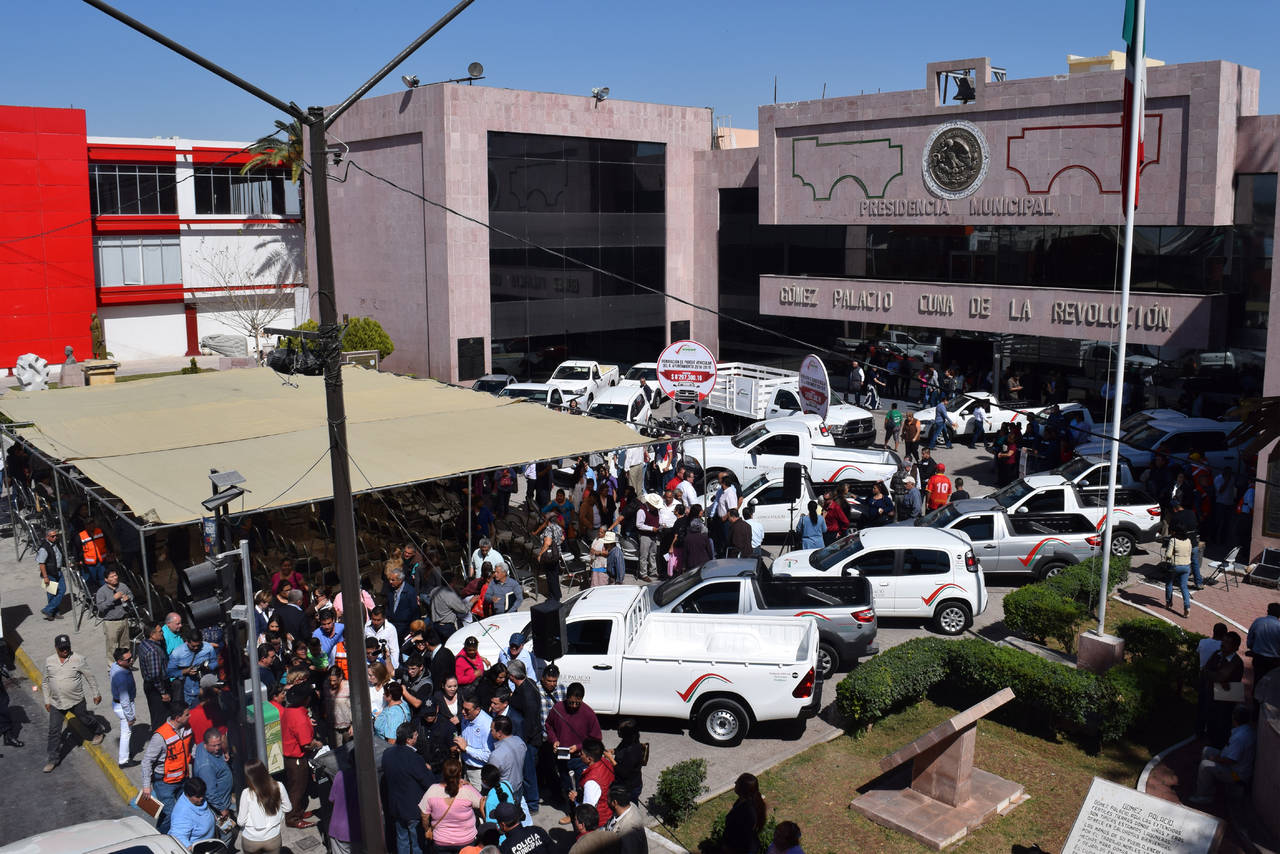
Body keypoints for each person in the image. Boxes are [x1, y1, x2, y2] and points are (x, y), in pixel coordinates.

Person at [43, 633, 107, 773]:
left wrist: (96, 694)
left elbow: (90, 677)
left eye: (67, 647)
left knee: (85, 719)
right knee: (54, 730)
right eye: (62, 648)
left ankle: (98, 730)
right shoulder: (49, 661)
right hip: (56, 702)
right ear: (56, 648)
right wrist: (47, 700)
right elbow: (46, 682)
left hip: (76, 700)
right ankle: (52, 759)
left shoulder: (78, 659)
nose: (65, 650)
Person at [547, 682, 602, 820]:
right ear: (566, 698)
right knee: (567, 786)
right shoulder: (558, 708)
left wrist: (578, 747)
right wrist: (554, 740)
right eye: (571, 702)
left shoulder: (588, 713)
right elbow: (549, 725)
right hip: (562, 757)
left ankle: (582, 816)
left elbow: (596, 738)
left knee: (581, 788)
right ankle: (572, 814)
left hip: (580, 758)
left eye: (577, 703)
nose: (573, 706)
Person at [384, 721, 438, 854]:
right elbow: (428, 783)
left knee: (402, 841)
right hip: (413, 809)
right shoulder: (414, 758)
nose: (417, 736)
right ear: (409, 740)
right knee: (417, 844)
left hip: (396, 808)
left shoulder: (387, 754)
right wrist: (429, 770)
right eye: (415, 735)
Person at [1187, 704, 1256, 806]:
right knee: (1207, 750)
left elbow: (1231, 760)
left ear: (1234, 718)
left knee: (1205, 765)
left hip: (1236, 775)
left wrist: (1215, 759)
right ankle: (1206, 783)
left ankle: (1204, 796)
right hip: (1235, 767)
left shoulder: (1240, 737)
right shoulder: (1245, 730)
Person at [140, 700, 192, 834]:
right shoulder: (160, 736)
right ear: (177, 718)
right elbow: (146, 761)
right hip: (164, 783)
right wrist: (146, 786)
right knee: (172, 814)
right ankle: (161, 838)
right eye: (187, 714)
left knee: (183, 811)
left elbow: (189, 747)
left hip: (183, 779)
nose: (189, 716)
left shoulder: (187, 728)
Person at [420, 758, 483, 853]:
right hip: (466, 840)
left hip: (441, 841)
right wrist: (469, 784)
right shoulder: (467, 790)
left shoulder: (432, 790)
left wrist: (427, 829)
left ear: (443, 773)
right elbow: (482, 803)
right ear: (460, 773)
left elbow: (424, 815)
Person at [281, 684, 319, 828]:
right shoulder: (300, 718)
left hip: (289, 755)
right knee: (297, 789)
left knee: (296, 787)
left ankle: (299, 811)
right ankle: (293, 818)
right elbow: (307, 744)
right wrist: (317, 744)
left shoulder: (290, 710)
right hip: (296, 758)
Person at [1200, 632, 1244, 747]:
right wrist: (1216, 677)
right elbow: (1204, 671)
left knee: (1222, 727)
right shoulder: (1216, 654)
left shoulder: (1236, 662)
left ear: (1235, 647)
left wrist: (1213, 675)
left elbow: (1219, 676)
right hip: (1211, 696)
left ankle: (1218, 749)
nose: (1223, 644)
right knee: (1210, 723)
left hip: (1225, 702)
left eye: (1228, 643)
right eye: (1223, 641)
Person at [238, 758, 291, 854]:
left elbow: (241, 821)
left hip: (251, 839)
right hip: (273, 837)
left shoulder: (246, 793)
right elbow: (288, 808)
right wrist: (278, 816)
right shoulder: (279, 786)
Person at [565, 737, 615, 827]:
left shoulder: (591, 783)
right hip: (609, 812)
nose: (580, 754)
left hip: (599, 822)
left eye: (582, 754)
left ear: (589, 759)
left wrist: (575, 801)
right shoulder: (605, 762)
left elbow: (587, 813)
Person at [192, 728, 233, 831]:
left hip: (223, 800)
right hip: (218, 804)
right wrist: (222, 809)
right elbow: (210, 793)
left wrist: (225, 752)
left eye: (219, 744)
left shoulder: (202, 746)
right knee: (226, 832)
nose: (217, 748)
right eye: (214, 746)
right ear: (206, 744)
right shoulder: (206, 767)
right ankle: (224, 845)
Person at [168, 630, 218, 707]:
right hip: (189, 692)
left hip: (206, 687)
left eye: (198, 646)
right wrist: (185, 671)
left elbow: (215, 662)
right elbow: (169, 672)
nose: (196, 648)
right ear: (187, 642)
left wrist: (208, 667)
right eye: (193, 646)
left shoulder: (208, 648)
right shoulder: (177, 653)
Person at [455, 694, 495, 786]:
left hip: (479, 774)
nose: (463, 712)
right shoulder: (466, 718)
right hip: (465, 768)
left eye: (467, 710)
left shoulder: (487, 726)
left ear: (477, 710)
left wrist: (466, 749)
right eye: (463, 708)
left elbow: (488, 756)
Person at [722, 772, 767, 854]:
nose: (735, 783)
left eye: (737, 782)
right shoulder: (742, 801)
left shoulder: (747, 811)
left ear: (743, 789)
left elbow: (742, 836)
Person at [96, 568, 135, 661]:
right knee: (112, 647)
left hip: (124, 619)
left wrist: (128, 597)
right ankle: (112, 667)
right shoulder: (101, 591)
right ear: (106, 579)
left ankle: (126, 662)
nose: (115, 578)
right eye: (111, 577)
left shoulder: (123, 586)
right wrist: (113, 598)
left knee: (125, 644)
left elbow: (131, 595)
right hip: (111, 623)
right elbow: (100, 608)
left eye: (115, 575)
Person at [109, 646, 137, 767]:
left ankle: (124, 757)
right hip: (124, 705)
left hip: (118, 703)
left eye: (131, 657)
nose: (131, 660)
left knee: (126, 731)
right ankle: (123, 760)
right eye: (128, 659)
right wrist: (130, 716)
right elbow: (125, 700)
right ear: (120, 661)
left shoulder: (116, 666)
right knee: (126, 732)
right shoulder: (121, 677)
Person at [169, 776, 216, 849]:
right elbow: (178, 835)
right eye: (198, 796)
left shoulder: (197, 798)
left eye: (203, 794)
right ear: (188, 795)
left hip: (209, 844)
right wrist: (190, 848)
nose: (202, 798)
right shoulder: (182, 813)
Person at [36, 529, 67, 621]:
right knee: (51, 593)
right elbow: (41, 564)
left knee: (62, 590)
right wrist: (45, 577)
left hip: (58, 571)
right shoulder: (44, 548)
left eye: (56, 535)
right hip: (50, 573)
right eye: (53, 536)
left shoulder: (56, 543)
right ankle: (53, 612)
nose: (55, 537)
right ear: (47, 537)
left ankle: (49, 610)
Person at [1247, 602, 1280, 686]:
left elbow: (1250, 639)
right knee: (1271, 684)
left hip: (1259, 657)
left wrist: (1251, 648)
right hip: (1274, 660)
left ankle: (1255, 698)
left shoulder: (1258, 621)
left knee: (1257, 681)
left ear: (1267, 611)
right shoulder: (1279, 626)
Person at [535, 512, 567, 600]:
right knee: (555, 575)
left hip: (549, 555)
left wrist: (540, 554)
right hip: (557, 555)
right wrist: (557, 544)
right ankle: (557, 594)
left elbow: (547, 543)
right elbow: (562, 538)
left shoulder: (549, 529)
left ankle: (553, 596)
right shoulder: (558, 527)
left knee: (550, 576)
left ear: (547, 520)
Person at [605, 785, 645, 853]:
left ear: (615, 802)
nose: (606, 801)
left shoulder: (629, 830)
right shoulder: (630, 805)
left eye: (608, 799)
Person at [386, 567, 421, 641]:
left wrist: (414, 628)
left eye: (393, 580)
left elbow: (414, 611)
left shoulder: (410, 592)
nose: (390, 582)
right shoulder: (390, 590)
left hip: (405, 628)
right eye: (389, 579)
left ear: (400, 580)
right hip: (392, 626)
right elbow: (388, 606)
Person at [1163, 532, 1194, 618]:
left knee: (1169, 584)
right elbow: (1190, 552)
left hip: (1175, 566)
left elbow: (1168, 554)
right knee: (1184, 586)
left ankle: (1169, 603)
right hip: (1186, 566)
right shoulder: (1188, 540)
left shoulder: (1173, 540)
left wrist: (1167, 557)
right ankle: (1187, 607)